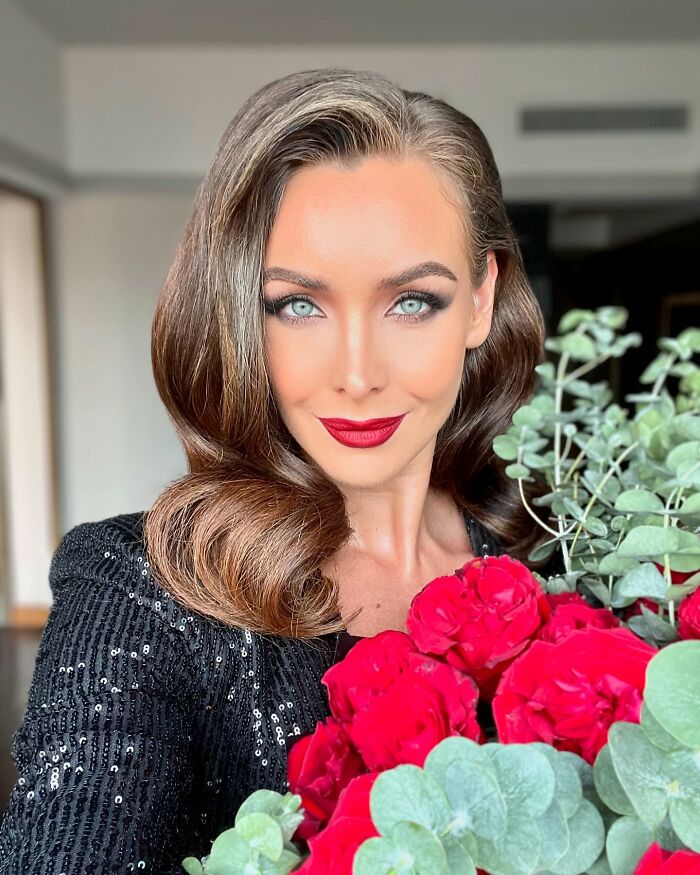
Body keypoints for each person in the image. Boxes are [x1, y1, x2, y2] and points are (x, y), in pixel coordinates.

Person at [0, 67, 563, 873]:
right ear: (241, 314)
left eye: (412, 301)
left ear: (479, 300)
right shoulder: (140, 590)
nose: (357, 373)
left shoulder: (556, 553)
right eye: (298, 304)